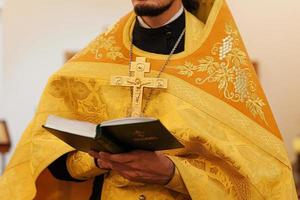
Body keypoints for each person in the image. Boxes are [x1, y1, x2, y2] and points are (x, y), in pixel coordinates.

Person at [0, 0, 297, 199]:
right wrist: (97, 160)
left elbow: (253, 178)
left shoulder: (218, 64)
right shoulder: (94, 61)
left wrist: (173, 174)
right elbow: (49, 158)